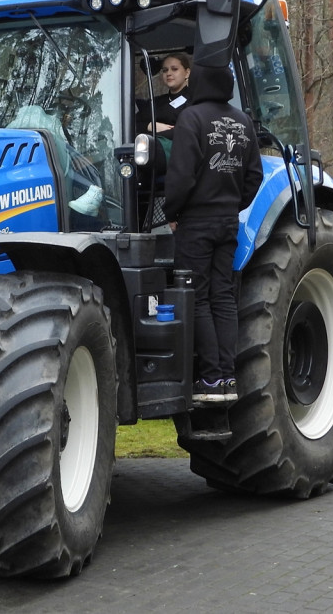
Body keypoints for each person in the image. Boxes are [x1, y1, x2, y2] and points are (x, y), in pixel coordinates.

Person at [162, 63, 263, 404]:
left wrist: (172, 212)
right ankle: (228, 378)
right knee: (223, 297)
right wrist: (233, 205)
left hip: (196, 223)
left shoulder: (191, 118)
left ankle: (209, 378)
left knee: (198, 297)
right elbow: (255, 176)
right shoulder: (244, 121)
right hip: (227, 222)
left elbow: (181, 176)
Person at [136, 52, 192, 133]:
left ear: (187, 73)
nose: (168, 73)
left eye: (174, 69)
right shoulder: (155, 102)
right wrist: (149, 126)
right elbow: (132, 124)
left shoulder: (195, 100)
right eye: (165, 70)